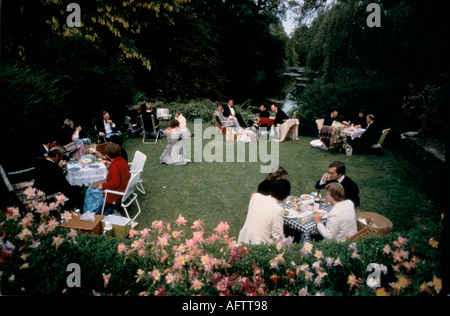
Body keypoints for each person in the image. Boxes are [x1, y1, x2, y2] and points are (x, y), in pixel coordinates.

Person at [238, 179, 291, 245]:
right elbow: (277, 237)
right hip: (260, 246)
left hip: (244, 239)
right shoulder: (278, 210)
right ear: (286, 195)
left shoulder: (255, 196)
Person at [83, 143, 130, 215]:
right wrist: (105, 160)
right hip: (124, 186)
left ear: (108, 155)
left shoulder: (115, 166)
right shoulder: (121, 160)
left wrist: (103, 185)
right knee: (94, 185)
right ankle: (95, 210)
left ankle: (91, 212)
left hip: (117, 191)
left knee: (90, 190)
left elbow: (115, 183)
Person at [34, 147, 82, 211]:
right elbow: (63, 184)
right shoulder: (54, 167)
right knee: (77, 189)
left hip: (40, 190)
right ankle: (74, 210)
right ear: (57, 156)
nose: (61, 159)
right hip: (52, 193)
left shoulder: (41, 163)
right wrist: (59, 168)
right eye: (61, 157)